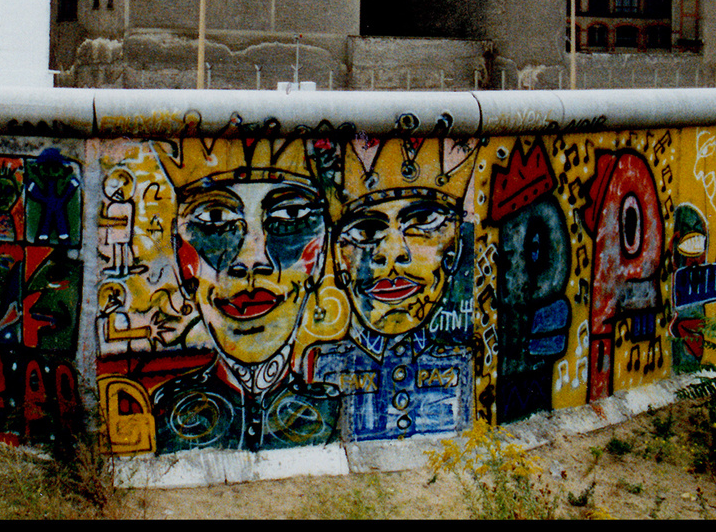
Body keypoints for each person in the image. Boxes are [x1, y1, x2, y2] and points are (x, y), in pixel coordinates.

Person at [148, 136, 341, 452]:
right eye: (215, 220)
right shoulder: (165, 412)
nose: (252, 260)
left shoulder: (334, 411)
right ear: (183, 261)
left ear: (319, 256)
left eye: (289, 217)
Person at [314, 136, 477, 441]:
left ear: (455, 250)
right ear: (338, 258)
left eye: (423, 221)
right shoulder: (325, 363)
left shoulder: (458, 359)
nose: (393, 253)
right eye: (365, 229)